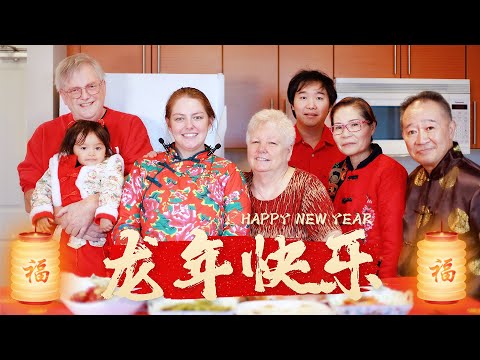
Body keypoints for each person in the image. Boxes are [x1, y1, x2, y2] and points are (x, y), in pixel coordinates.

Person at [17, 53, 153, 243]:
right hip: (62, 253)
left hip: (119, 249)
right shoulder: (44, 133)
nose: (85, 95)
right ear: (63, 96)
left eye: (91, 86)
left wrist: (91, 205)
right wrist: (68, 219)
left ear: (103, 86)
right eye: (74, 90)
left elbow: (145, 185)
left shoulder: (130, 125)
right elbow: (30, 195)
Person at [111, 87, 250, 243]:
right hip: (150, 266)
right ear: (169, 123)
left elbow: (237, 237)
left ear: (210, 121)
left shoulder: (227, 172)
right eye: (179, 118)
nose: (189, 125)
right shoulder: (144, 168)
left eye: (197, 117)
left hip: (209, 266)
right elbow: (125, 229)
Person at [397, 90, 480, 299]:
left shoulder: (475, 184)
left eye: (430, 128)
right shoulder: (412, 179)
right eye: (411, 131)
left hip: (464, 303)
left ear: (451, 129)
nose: (421, 139)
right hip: (413, 298)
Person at [30, 120, 124, 277]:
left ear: (105, 149)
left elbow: (112, 189)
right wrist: (42, 214)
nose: (92, 153)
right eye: (84, 148)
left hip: (97, 232)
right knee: (64, 271)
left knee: (96, 273)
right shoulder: (57, 166)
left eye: (98, 148)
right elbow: (42, 188)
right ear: (72, 148)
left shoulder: (109, 166)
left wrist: (107, 214)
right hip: (65, 234)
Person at [327, 97, 407, 278]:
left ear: (372, 127)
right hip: (342, 273)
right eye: (338, 127)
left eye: (354, 125)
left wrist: (386, 285)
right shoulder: (336, 172)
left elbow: (393, 238)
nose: (345, 134)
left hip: (376, 278)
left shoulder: (389, 171)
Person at [243, 108, 341, 241]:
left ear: (288, 152)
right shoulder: (237, 184)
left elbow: (331, 238)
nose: (261, 149)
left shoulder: (307, 186)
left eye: (272, 143)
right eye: (255, 142)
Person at [287, 69, 344, 188]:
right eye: (303, 97)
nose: (311, 106)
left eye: (319, 98)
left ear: (330, 106)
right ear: (292, 105)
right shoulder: (277, 144)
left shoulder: (343, 145)